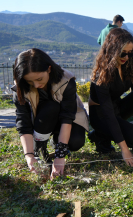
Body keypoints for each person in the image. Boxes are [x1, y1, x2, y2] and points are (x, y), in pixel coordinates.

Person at [88, 28, 133, 168]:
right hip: (101, 115)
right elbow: (108, 114)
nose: (126, 57)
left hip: (117, 108)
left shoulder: (126, 65)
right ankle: (100, 134)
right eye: (122, 53)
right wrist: (124, 150)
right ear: (112, 50)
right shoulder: (101, 75)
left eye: (130, 53)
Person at [12, 48, 88, 179]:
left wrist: (60, 156)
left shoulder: (66, 80)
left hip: (64, 120)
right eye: (30, 81)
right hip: (40, 123)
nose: (36, 85)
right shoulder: (20, 87)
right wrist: (29, 155)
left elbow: (67, 117)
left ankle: (56, 142)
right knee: (50, 107)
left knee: (76, 142)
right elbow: (23, 122)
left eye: (39, 79)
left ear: (49, 68)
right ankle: (39, 147)